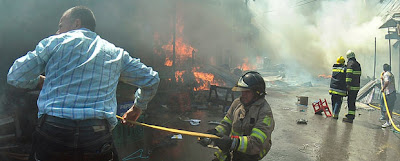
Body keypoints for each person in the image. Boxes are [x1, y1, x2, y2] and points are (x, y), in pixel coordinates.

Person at [7, 6, 160, 161]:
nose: (57, 32)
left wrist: (38, 80)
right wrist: (137, 108)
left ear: (76, 23)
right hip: (96, 134)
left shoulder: (53, 43)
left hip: (53, 130)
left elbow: (16, 75)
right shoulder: (115, 53)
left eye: (60, 26)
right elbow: (152, 79)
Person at [199, 71, 275, 161]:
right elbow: (226, 124)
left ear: (257, 93)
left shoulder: (265, 112)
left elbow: (256, 143)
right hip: (232, 151)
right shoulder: (237, 103)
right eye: (242, 91)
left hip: (250, 156)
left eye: (247, 92)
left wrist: (231, 142)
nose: (243, 95)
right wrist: (214, 134)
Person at [342, 50, 361, 123]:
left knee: (350, 101)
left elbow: (349, 75)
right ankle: (350, 114)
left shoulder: (350, 63)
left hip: (352, 86)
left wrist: (347, 84)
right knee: (352, 101)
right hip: (356, 86)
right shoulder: (357, 64)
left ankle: (350, 117)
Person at [380, 64, 397, 128]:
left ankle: (387, 122)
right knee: (390, 109)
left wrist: (383, 88)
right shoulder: (390, 74)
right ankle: (389, 121)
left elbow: (387, 82)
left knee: (386, 109)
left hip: (389, 94)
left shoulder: (386, 74)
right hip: (392, 93)